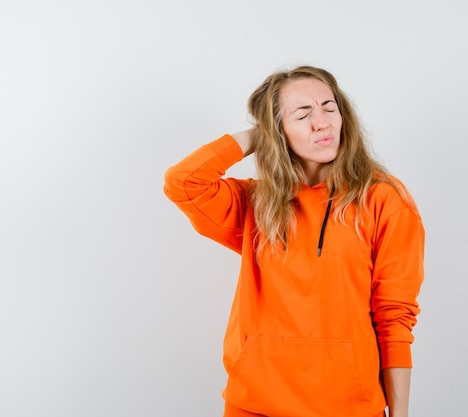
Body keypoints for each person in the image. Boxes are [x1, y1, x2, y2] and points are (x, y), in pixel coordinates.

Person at [163, 65, 425, 417]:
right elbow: (182, 182)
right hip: (253, 404)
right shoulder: (257, 204)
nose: (323, 122)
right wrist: (259, 136)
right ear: (278, 130)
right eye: (303, 114)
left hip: (350, 407)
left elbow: (395, 317)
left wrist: (401, 413)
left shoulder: (382, 199)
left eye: (330, 108)